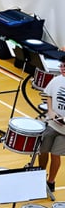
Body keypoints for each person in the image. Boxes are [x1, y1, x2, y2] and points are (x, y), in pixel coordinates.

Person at [38, 55, 65, 197]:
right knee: (43, 150)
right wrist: (50, 110)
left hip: (64, 131)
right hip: (52, 124)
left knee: (55, 155)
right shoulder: (57, 80)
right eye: (61, 66)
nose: (62, 69)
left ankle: (51, 181)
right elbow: (48, 95)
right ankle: (39, 176)